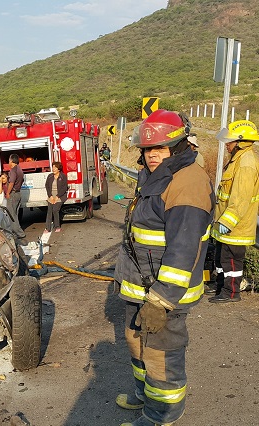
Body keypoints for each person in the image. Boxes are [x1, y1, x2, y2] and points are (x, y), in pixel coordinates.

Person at [114, 110, 214, 426]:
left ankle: (161, 415)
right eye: (147, 149)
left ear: (179, 145)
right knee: (136, 341)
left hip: (163, 295)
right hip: (140, 287)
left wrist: (161, 299)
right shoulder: (156, 176)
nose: (152, 154)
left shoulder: (188, 183)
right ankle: (144, 394)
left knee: (161, 355)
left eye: (160, 148)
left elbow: (184, 250)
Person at [206, 120, 259, 303]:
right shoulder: (237, 159)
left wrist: (227, 222)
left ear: (241, 142)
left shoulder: (246, 163)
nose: (226, 144)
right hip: (226, 223)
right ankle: (222, 288)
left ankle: (232, 293)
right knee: (222, 259)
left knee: (231, 262)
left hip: (236, 226)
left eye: (229, 141)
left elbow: (241, 199)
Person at [5, 154, 26, 239]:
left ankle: (19, 233)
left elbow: (11, 182)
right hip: (18, 193)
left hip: (13, 194)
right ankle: (16, 232)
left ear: (11, 161)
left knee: (11, 214)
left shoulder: (13, 171)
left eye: (9, 160)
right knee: (15, 214)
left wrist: (8, 192)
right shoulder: (20, 170)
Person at [44, 161, 68, 233]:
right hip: (51, 196)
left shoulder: (63, 176)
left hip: (60, 196)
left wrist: (57, 196)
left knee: (55, 209)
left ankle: (57, 226)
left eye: (55, 167)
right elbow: (47, 186)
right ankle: (48, 228)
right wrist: (50, 196)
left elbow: (64, 188)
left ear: (59, 169)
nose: (53, 169)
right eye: (53, 167)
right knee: (49, 211)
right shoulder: (50, 176)